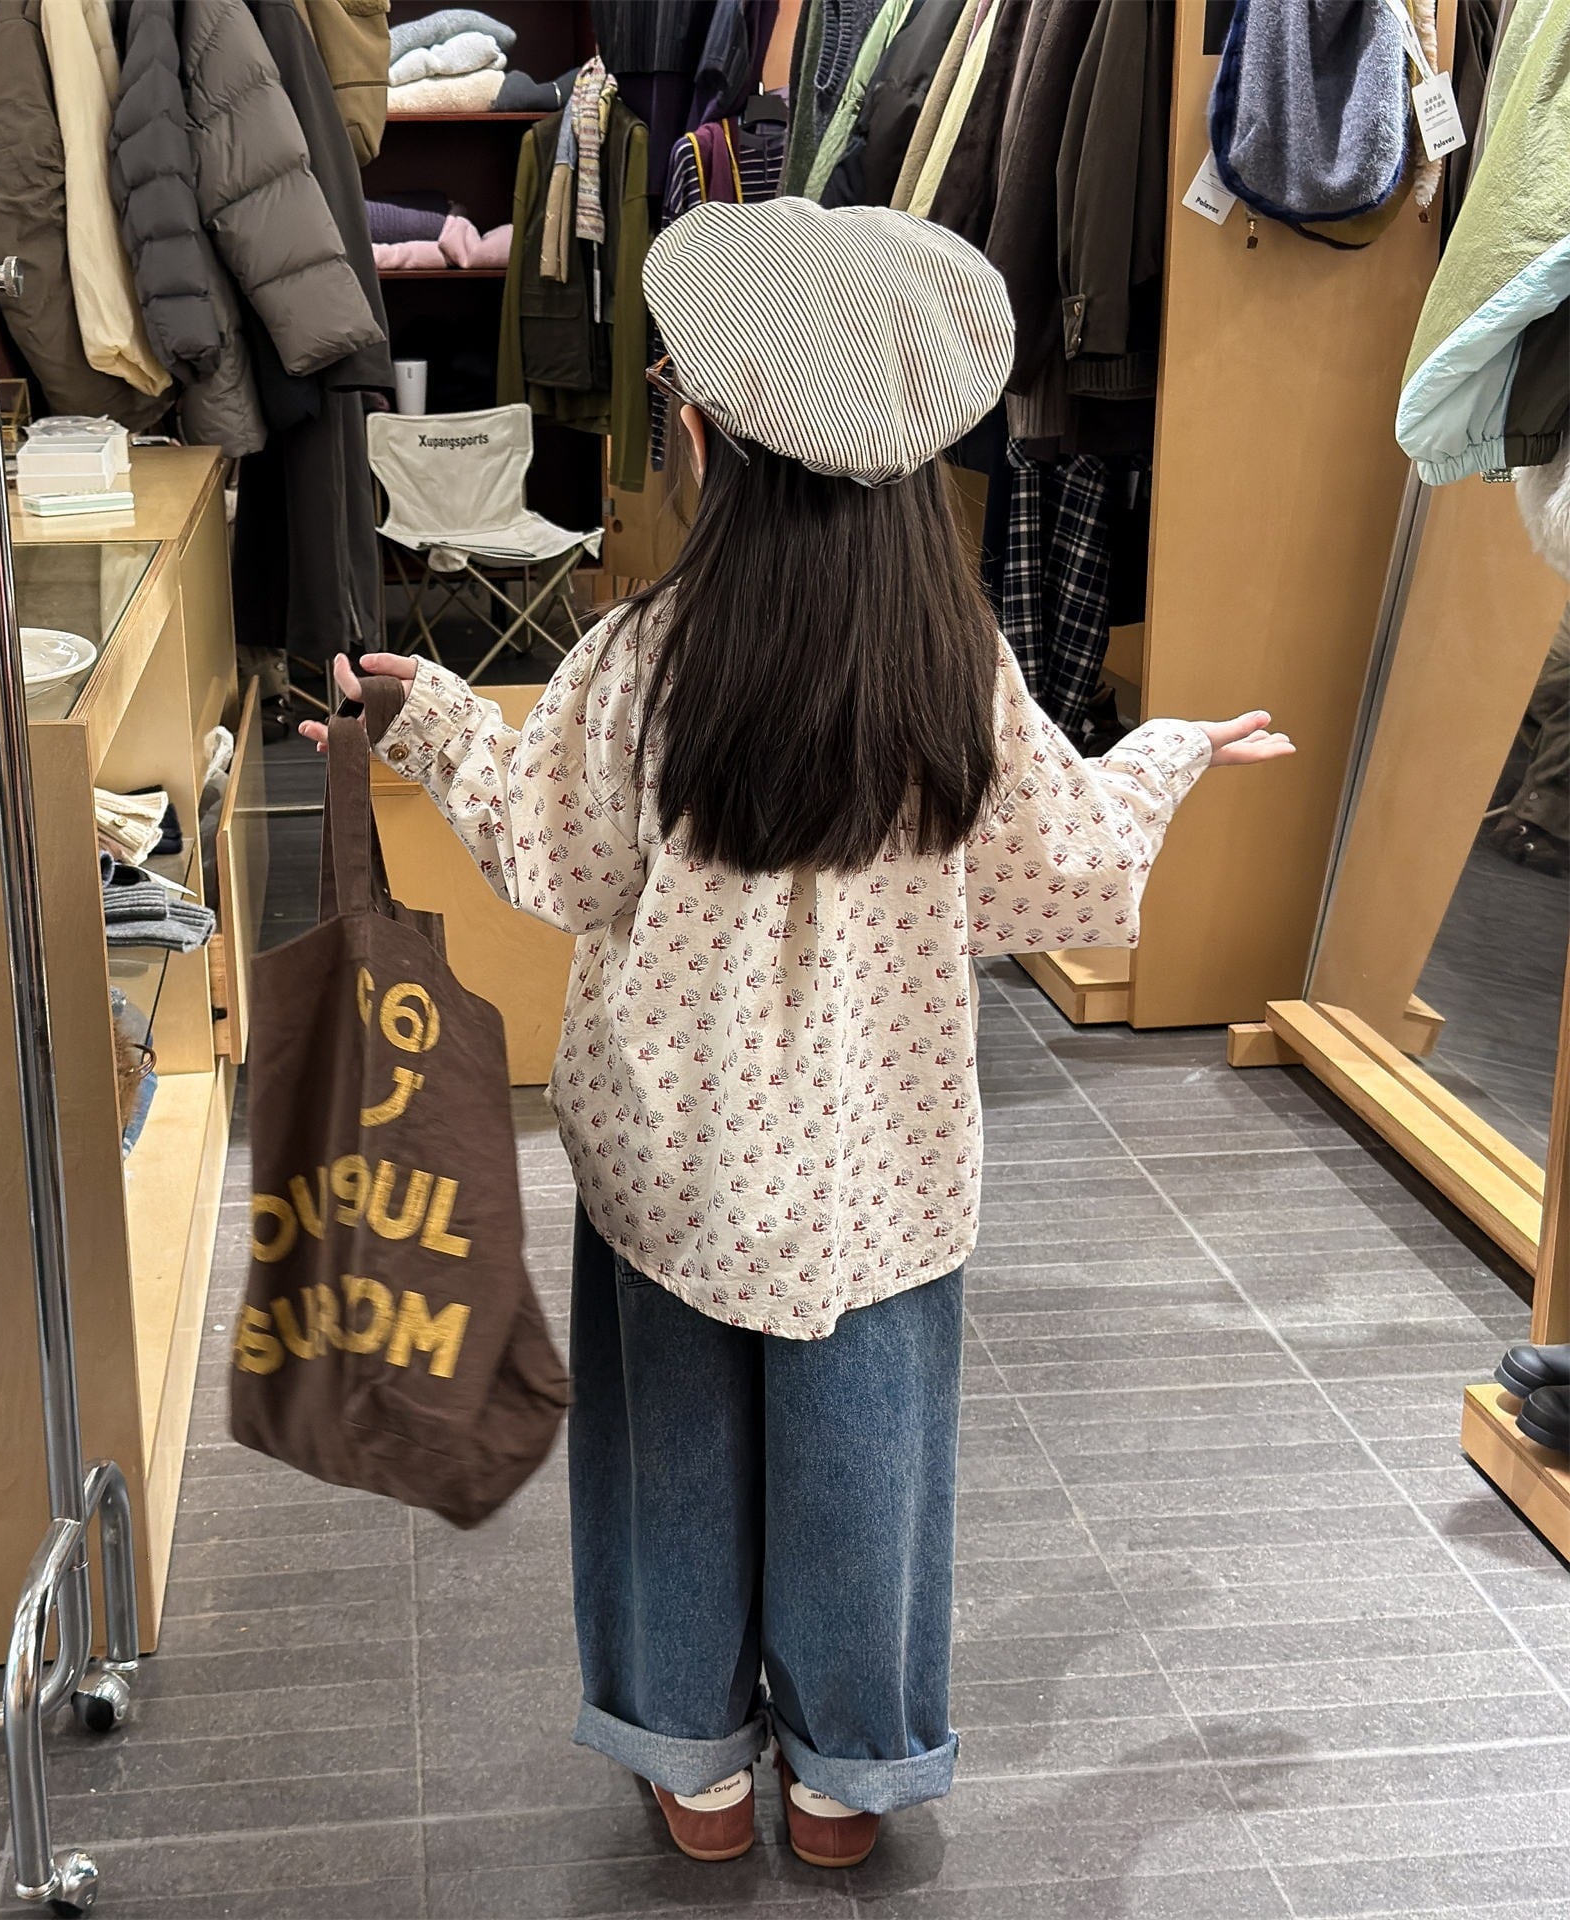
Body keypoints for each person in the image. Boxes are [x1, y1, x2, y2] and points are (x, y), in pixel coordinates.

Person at [302, 198, 1293, 1870]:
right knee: (867, 1469)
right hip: (877, 1170)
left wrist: (435, 718)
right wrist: (1166, 755)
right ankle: (843, 1786)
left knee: (670, 1461)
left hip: (670, 1158)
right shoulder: (954, 666)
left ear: (709, 437)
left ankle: (691, 1772)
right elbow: (1058, 869)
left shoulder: (639, 659)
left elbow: (561, 859)